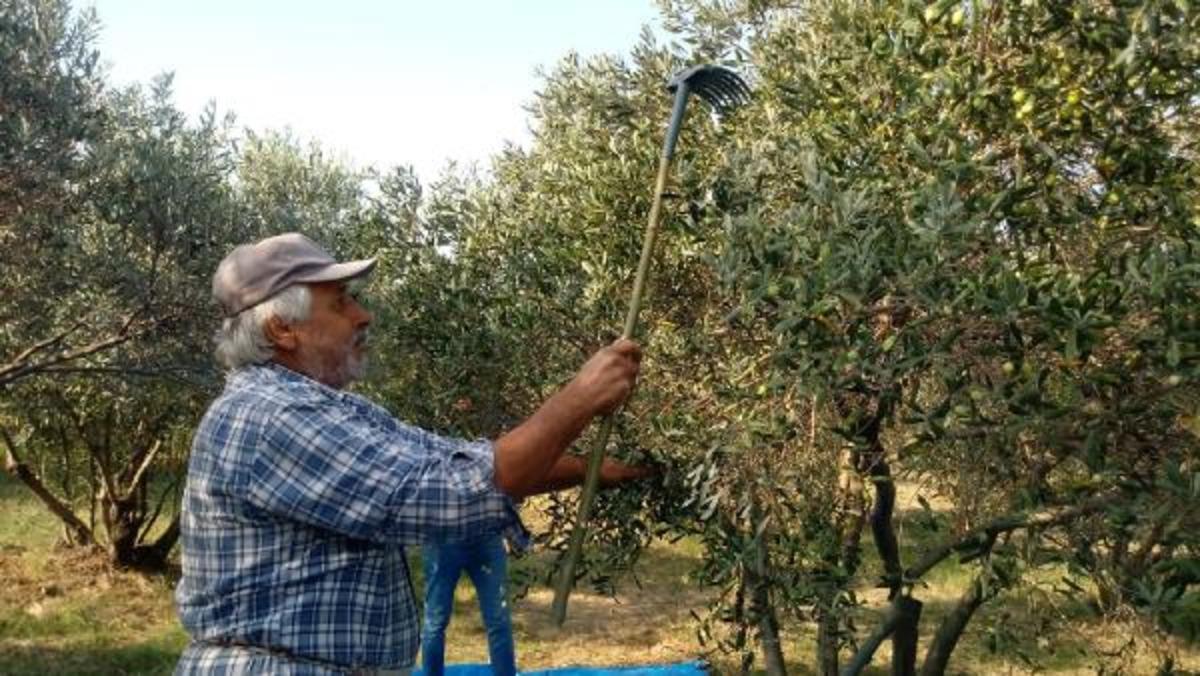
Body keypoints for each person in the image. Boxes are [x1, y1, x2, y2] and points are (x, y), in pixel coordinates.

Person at [175, 232, 649, 675]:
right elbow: (451, 494)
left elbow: (453, 459)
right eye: (341, 302)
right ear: (282, 329)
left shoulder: (323, 409)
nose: (363, 315)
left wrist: (592, 469)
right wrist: (580, 399)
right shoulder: (269, 416)